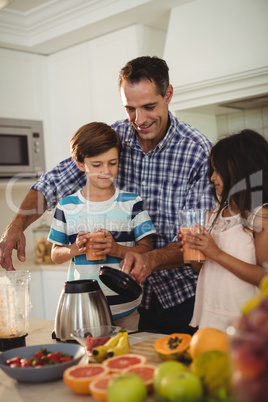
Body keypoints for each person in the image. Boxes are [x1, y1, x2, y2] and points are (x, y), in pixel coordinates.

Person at [0, 56, 213, 334]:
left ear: (168, 94)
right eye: (130, 108)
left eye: (149, 106)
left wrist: (150, 259)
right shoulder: (116, 136)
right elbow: (53, 182)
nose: (140, 120)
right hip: (122, 299)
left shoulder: (197, 152)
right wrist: (16, 225)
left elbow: (196, 240)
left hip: (182, 297)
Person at [48, 122, 155, 330]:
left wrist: (116, 249)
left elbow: (147, 248)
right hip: (83, 308)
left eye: (112, 163)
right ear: (80, 164)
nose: (106, 171)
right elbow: (55, 255)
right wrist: (74, 249)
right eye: (97, 165)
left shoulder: (131, 203)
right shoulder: (66, 206)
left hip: (126, 306)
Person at [178, 129, 268, 331]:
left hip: (246, 323)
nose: (212, 177)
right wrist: (193, 251)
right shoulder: (214, 214)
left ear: (240, 171)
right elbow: (203, 270)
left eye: (218, 170)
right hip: (212, 317)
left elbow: (264, 277)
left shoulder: (261, 216)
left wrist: (216, 253)